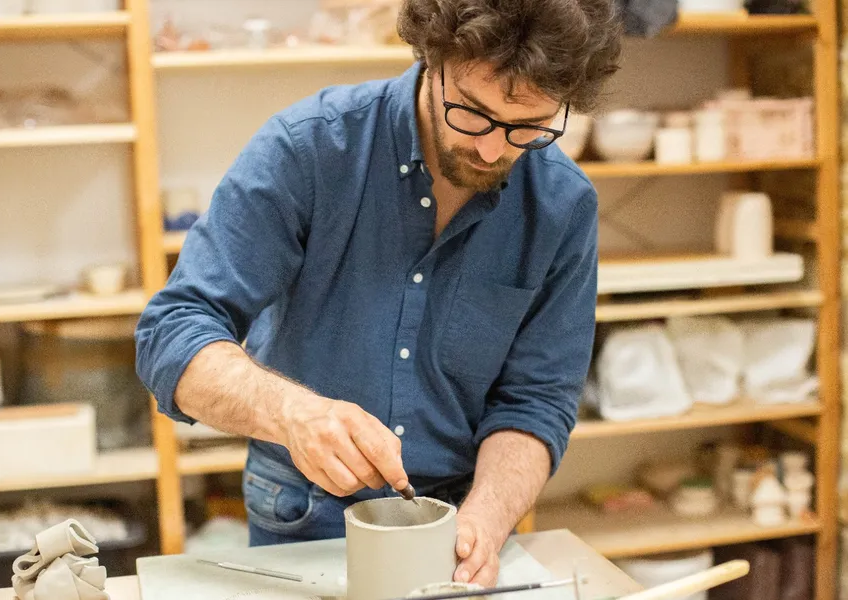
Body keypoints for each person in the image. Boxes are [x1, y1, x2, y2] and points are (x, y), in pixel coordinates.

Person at [135, 0, 622, 588]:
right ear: (431, 56)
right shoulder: (310, 148)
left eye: (528, 128)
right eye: (474, 114)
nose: (494, 151)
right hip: (302, 510)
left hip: (459, 520)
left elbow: (537, 400)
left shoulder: (562, 207)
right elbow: (173, 331)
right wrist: (292, 413)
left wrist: (486, 520)